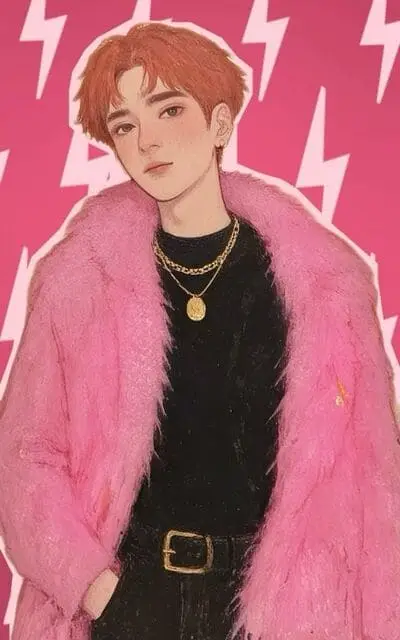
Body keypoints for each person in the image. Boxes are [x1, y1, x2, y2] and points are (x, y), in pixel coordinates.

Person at [0, 20, 399, 640]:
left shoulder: (327, 289)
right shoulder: (78, 281)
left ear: (219, 123)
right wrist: (97, 590)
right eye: (125, 125)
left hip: (279, 611)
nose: (148, 141)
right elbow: (25, 456)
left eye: (169, 110)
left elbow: (375, 483)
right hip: (126, 597)